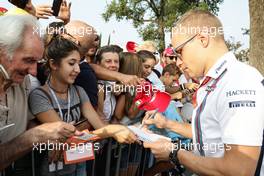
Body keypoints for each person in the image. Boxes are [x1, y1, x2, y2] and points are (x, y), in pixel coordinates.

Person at [143, 9, 264, 175]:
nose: (177, 62)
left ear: (202, 39)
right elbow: (209, 131)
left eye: (179, 52)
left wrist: (174, 153)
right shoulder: (218, 80)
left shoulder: (237, 80)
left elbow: (239, 170)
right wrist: (167, 124)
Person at [28, 34, 137, 176]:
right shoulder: (40, 96)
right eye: (71, 63)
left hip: (79, 165)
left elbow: (100, 127)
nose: (78, 70)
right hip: (52, 168)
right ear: (54, 64)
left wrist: (120, 130)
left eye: (78, 63)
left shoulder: (79, 92)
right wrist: (112, 131)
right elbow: (66, 137)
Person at [0, 15, 81, 171]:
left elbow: (28, 121)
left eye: (37, 61)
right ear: (2, 50)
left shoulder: (22, 81)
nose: (33, 71)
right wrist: (34, 136)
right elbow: (31, 135)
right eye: (29, 60)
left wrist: (50, 135)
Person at [95, 45, 123, 122]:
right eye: (108, 61)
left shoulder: (115, 84)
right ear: (98, 64)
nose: (113, 65)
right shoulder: (99, 87)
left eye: (116, 61)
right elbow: (100, 120)